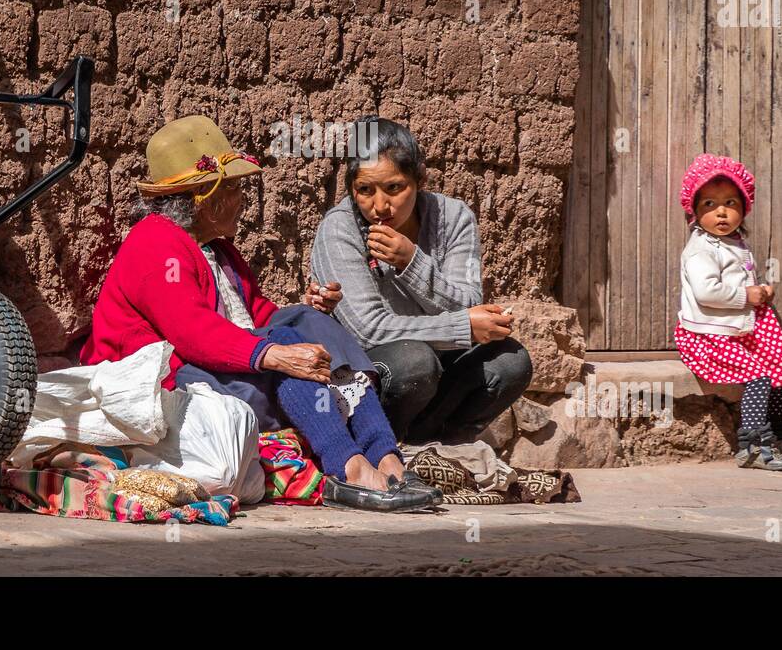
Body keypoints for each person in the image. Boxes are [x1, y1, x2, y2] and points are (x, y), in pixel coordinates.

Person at [82, 115, 440, 511]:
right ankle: (350, 468)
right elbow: (193, 333)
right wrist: (277, 354)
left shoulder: (218, 248)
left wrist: (311, 311)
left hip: (222, 366)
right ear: (204, 195)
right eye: (232, 187)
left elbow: (256, 314)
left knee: (308, 324)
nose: (242, 198)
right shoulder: (156, 243)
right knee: (286, 344)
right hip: (172, 377)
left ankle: (386, 457)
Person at [310, 117, 532, 445]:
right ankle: (381, 448)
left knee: (511, 361)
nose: (379, 205)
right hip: (378, 372)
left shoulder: (453, 219)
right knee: (416, 362)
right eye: (365, 190)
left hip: (440, 370)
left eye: (394, 188)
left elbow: (470, 304)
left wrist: (410, 262)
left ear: (420, 180)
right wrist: (461, 328)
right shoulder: (340, 229)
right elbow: (369, 330)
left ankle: (441, 451)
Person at [673, 153, 782, 470]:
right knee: (759, 375)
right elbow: (706, 292)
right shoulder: (701, 248)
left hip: (738, 328)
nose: (720, 212)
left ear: (743, 208)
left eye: (730, 203)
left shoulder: (735, 243)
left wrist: (761, 290)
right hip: (709, 336)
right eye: (709, 204)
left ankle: (780, 438)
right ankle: (751, 447)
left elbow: (740, 281)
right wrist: (746, 295)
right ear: (694, 210)